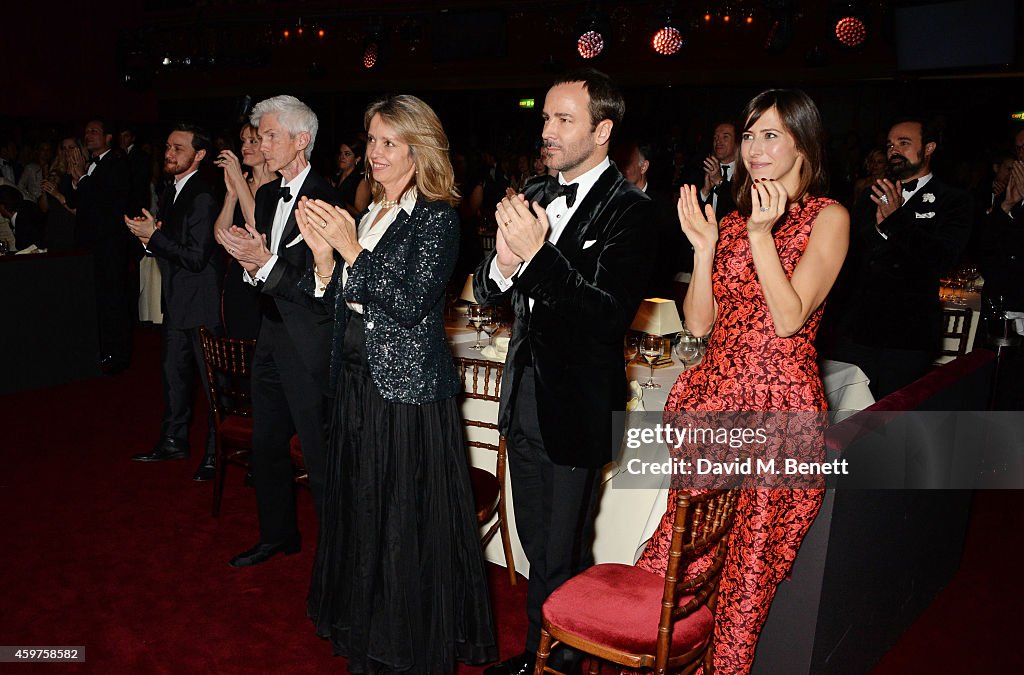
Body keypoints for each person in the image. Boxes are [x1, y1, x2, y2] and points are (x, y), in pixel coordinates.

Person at [635, 89, 850, 674]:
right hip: (717, 406)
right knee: (682, 560)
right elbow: (699, 324)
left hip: (779, 412)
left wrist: (760, 234)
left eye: (770, 135)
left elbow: (788, 318)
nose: (754, 148)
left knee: (745, 583)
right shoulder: (732, 219)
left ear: (804, 143)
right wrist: (705, 250)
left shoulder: (828, 217)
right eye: (750, 135)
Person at [297, 94, 496, 673]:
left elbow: (410, 305)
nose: (374, 154)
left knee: (401, 522)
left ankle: (401, 645)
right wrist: (324, 264)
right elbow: (351, 301)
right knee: (362, 513)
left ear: (419, 150)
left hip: (406, 394)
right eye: (372, 141)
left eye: (388, 143)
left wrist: (351, 250)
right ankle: (367, 629)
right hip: (360, 384)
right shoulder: (371, 210)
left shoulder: (437, 216)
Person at [474, 69, 654, 675]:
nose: (547, 131)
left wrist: (535, 256)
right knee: (534, 545)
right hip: (522, 397)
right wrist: (502, 263)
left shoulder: (630, 211)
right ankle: (551, 655)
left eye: (563, 120)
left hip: (575, 409)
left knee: (558, 550)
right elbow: (487, 288)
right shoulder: (533, 189)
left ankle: (547, 662)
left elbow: (604, 317)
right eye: (546, 118)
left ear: (602, 131)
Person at [216, 95, 335, 568]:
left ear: (300, 141)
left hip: (307, 342)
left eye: (270, 136)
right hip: (270, 333)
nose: (262, 145)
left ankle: (335, 556)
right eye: (260, 136)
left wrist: (262, 263)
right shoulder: (266, 195)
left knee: (319, 453)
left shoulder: (326, 199)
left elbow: (315, 284)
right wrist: (249, 258)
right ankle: (277, 534)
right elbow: (264, 266)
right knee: (265, 444)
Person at [827, 116, 971, 398]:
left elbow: (941, 258)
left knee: (892, 421)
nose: (894, 150)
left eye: (904, 143)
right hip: (857, 330)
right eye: (890, 144)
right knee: (845, 415)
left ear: (928, 148)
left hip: (907, 335)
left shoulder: (953, 200)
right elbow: (851, 255)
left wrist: (895, 220)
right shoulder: (871, 194)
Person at [126, 124, 223, 481]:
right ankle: (173, 441)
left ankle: (216, 453)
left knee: (212, 385)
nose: (169, 153)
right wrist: (151, 238)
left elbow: (197, 257)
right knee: (174, 377)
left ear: (199, 155)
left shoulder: (202, 196)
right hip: (178, 300)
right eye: (167, 146)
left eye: (178, 148)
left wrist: (155, 237)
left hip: (200, 304)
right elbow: (174, 245)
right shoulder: (173, 189)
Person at [65, 118, 133, 374]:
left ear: (108, 137)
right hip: (89, 245)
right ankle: (100, 349)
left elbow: (107, 202)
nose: (88, 135)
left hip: (109, 245)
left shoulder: (116, 164)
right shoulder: (88, 165)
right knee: (94, 300)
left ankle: (117, 355)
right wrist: (76, 180)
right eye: (86, 131)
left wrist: (82, 178)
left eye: (94, 131)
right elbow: (77, 202)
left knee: (112, 299)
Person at [214, 122, 273, 340]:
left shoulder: (280, 186)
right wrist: (231, 195)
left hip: (267, 280)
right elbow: (220, 237)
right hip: (238, 277)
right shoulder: (241, 183)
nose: (245, 147)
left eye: (253, 141)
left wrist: (238, 179)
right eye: (243, 141)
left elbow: (258, 225)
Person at [698, 120, 740, 221]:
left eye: (725, 137)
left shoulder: (747, 173)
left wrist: (720, 182)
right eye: (715, 137)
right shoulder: (703, 169)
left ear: (737, 142)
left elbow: (739, 208)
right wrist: (705, 192)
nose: (718, 141)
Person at [328, 137, 365, 217]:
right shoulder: (336, 176)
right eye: (340, 153)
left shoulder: (362, 181)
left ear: (357, 159)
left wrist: (338, 198)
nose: (342, 157)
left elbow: (360, 215)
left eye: (347, 154)